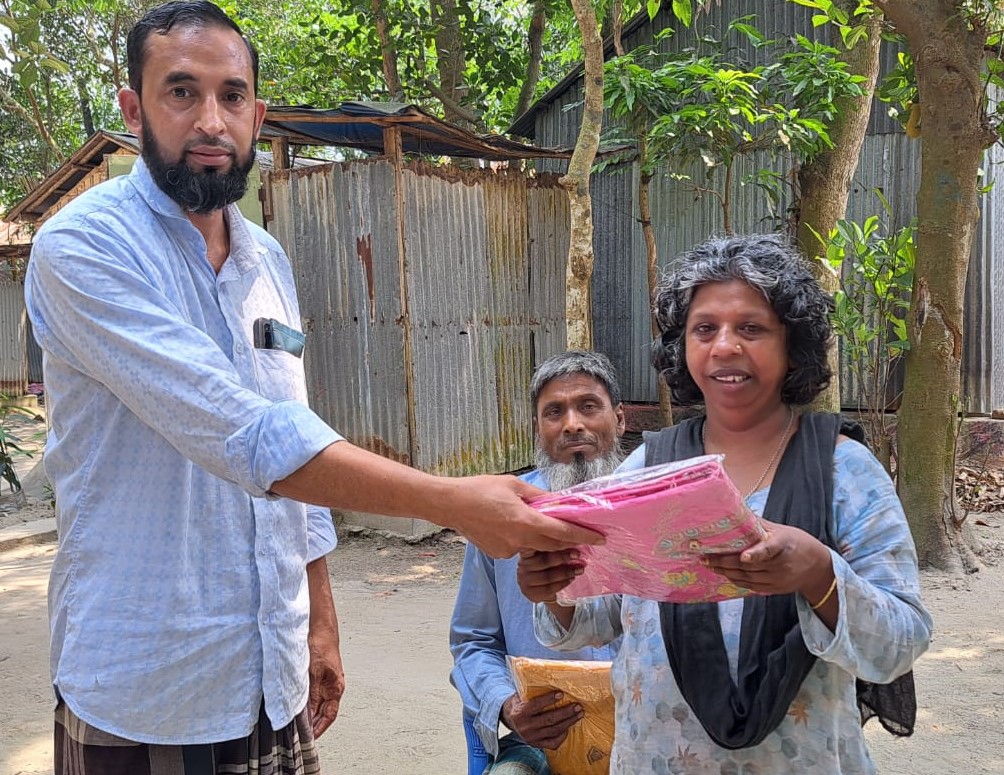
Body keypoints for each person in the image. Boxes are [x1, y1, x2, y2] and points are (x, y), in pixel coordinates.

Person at [23, 3, 601, 773]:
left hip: (270, 671)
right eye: (180, 92)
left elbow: (292, 427)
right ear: (133, 109)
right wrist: (450, 500)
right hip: (150, 685)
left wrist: (319, 617)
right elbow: (240, 433)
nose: (210, 121)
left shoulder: (267, 259)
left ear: (257, 114)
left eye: (232, 97)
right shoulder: (85, 248)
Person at [517, 234, 933, 773]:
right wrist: (554, 589)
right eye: (704, 328)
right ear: (682, 346)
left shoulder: (843, 470)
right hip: (654, 759)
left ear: (793, 346)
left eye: (752, 328)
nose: (724, 347)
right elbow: (598, 618)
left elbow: (900, 643)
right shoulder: (645, 469)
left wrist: (818, 574)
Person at [450, 350, 625, 774]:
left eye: (588, 406)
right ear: (537, 429)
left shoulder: (656, 509)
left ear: (620, 420)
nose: (572, 424)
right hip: (539, 743)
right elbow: (472, 642)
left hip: (642, 732)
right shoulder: (502, 518)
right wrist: (508, 706)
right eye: (554, 412)